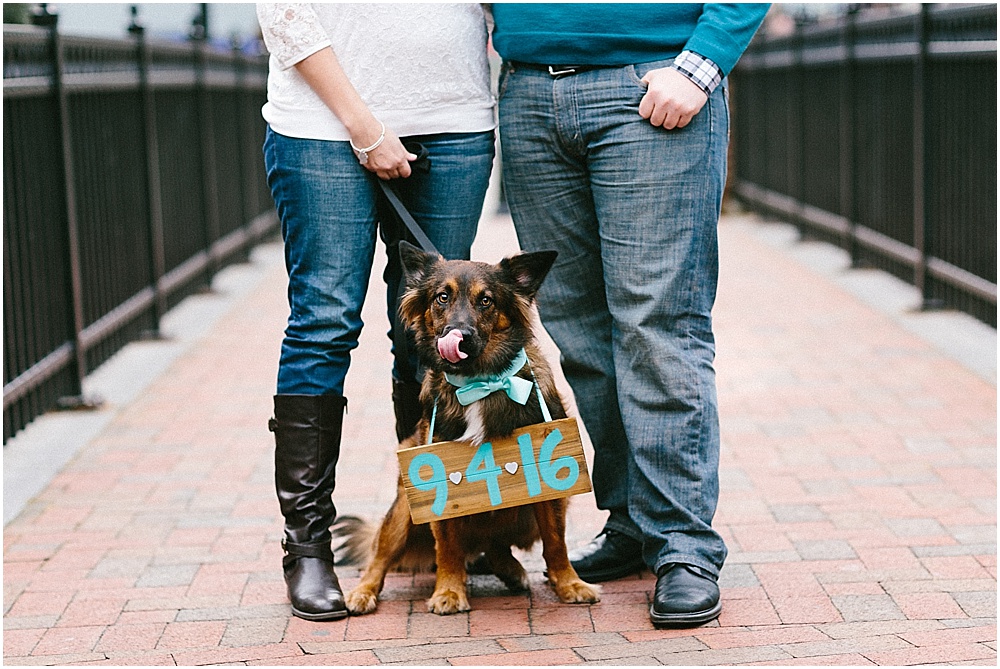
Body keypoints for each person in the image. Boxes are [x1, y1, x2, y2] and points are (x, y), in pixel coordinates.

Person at [490, 3, 769, 627]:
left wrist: (699, 69)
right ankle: (633, 521)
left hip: (649, 82)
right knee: (578, 330)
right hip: (530, 89)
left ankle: (683, 547)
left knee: (657, 327)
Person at [256, 3, 495, 621]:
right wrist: (364, 126)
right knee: (325, 322)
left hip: (454, 121)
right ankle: (307, 545)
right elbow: (285, 14)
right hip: (321, 127)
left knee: (437, 337)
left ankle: (439, 524)